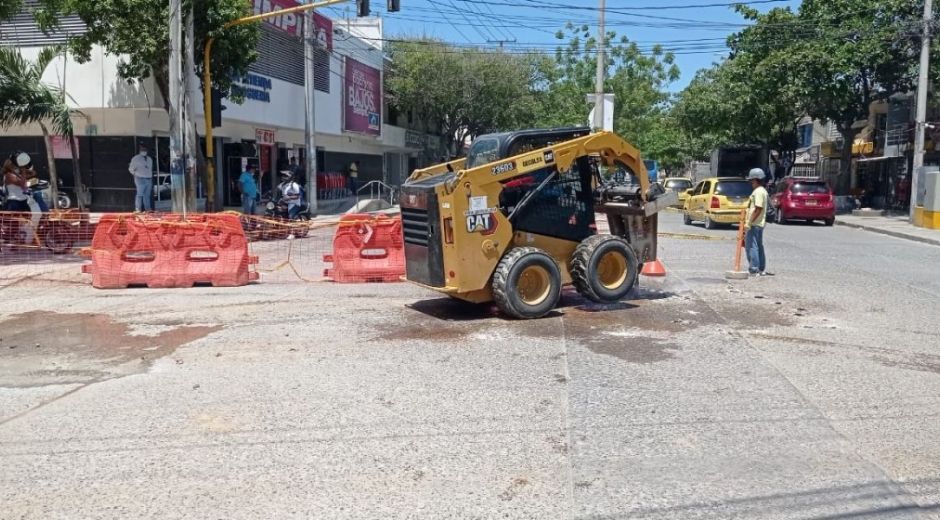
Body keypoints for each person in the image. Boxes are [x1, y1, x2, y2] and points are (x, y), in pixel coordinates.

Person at [745, 167, 772, 277]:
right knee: (758, 245)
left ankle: (754, 269)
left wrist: (749, 222)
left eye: (752, 180)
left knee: (752, 246)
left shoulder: (758, 192)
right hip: (759, 223)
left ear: (756, 180)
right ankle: (760, 268)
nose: (751, 183)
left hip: (755, 223)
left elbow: (758, 208)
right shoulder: (762, 191)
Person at [128, 143, 153, 212]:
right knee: (140, 194)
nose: (144, 151)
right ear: (140, 150)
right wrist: (136, 175)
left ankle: (148, 209)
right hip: (140, 179)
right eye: (142, 149)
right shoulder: (136, 158)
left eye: (145, 150)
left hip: (149, 179)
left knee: (147, 195)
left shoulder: (149, 159)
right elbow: (131, 169)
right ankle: (138, 209)